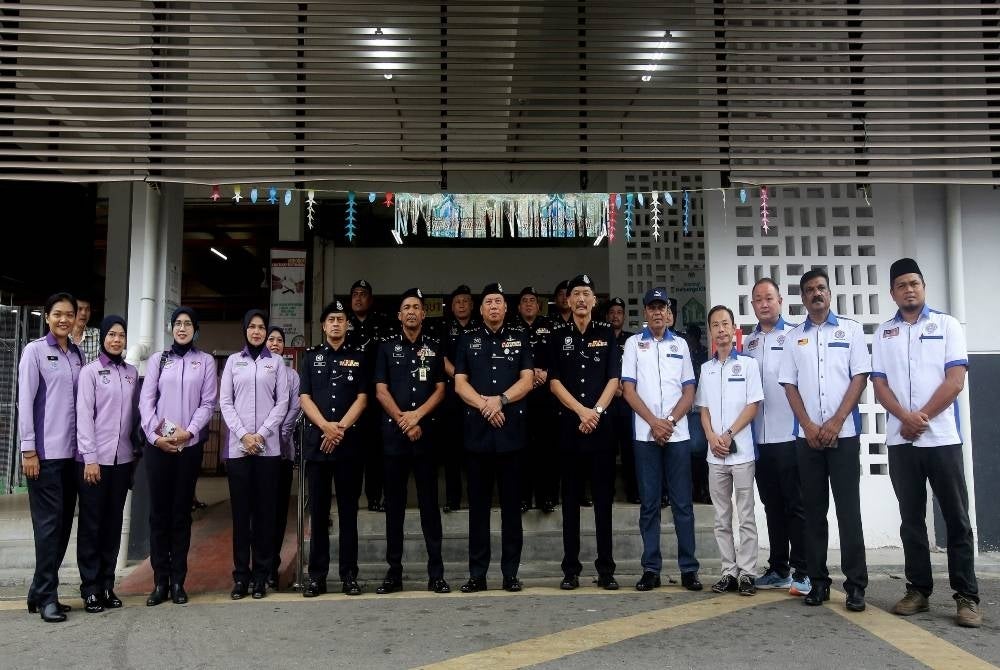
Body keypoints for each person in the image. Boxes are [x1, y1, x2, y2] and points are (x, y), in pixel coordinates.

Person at [871, 258, 981, 628]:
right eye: (901, 285)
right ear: (893, 293)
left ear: (923, 286)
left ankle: (966, 595)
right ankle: (918, 589)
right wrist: (905, 418)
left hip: (942, 439)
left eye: (914, 283)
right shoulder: (884, 333)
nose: (909, 290)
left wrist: (923, 417)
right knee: (911, 520)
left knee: (956, 519)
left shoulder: (947, 325)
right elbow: (880, 384)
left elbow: (955, 380)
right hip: (902, 442)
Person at [779, 268, 870, 612]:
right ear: (802, 298)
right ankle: (818, 583)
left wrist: (834, 422)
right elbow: (789, 384)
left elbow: (859, 378)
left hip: (843, 436)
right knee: (814, 513)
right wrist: (809, 426)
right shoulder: (793, 338)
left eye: (821, 288)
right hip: (808, 440)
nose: (816, 294)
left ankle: (856, 586)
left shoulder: (852, 330)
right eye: (809, 290)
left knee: (849, 513)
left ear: (829, 294)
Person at [453, 282, 534, 593]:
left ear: (505, 307)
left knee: (512, 509)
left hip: (512, 435)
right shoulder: (467, 339)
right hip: (478, 437)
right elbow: (460, 384)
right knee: (479, 510)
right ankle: (477, 574)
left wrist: (500, 400)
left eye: (499, 301)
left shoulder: (520, 337)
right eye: (488, 302)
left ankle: (510, 573)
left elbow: (527, 381)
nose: (494, 307)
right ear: (482, 308)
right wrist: (486, 406)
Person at [622, 288, 703, 593]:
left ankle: (689, 569)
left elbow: (689, 391)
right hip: (645, 435)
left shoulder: (681, 345)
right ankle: (651, 568)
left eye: (662, 307)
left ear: (669, 312)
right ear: (645, 313)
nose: (657, 313)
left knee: (683, 503)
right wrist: (654, 423)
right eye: (651, 308)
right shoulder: (633, 344)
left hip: (677, 434)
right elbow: (628, 390)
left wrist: (667, 422)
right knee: (650, 505)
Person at [139, 306, 218, 607]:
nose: (182, 328)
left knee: (180, 514)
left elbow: (208, 403)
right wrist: (156, 438)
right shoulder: (159, 360)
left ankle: (178, 581)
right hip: (158, 448)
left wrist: (190, 432)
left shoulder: (205, 362)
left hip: (189, 446)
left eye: (188, 324)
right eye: (178, 323)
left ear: (195, 330)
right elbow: (146, 403)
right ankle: (159, 580)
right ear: (171, 328)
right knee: (159, 514)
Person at [374, 288, 450, 594]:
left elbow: (441, 389)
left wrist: (416, 417)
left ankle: (436, 573)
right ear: (399, 315)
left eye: (416, 307)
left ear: (423, 314)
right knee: (395, 508)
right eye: (406, 307)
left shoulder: (434, 346)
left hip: (425, 438)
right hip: (395, 438)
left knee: (430, 507)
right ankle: (394, 573)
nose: (411, 312)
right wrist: (404, 420)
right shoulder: (386, 347)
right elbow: (381, 390)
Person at [548, 274, 621, 590]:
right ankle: (571, 569)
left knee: (604, 503)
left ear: (594, 301)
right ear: (567, 300)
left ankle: (606, 570)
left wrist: (597, 413)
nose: (580, 299)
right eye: (575, 293)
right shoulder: (557, 334)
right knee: (570, 502)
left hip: (601, 431)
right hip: (569, 429)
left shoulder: (606, 335)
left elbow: (613, 380)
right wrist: (581, 412)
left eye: (586, 294)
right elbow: (553, 381)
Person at [19, 292, 84, 622]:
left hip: (71, 456)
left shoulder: (76, 355)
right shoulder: (34, 352)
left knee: (60, 529)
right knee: (47, 529)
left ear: (75, 319)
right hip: (44, 456)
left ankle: (38, 591)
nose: (63, 319)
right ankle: (47, 596)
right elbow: (26, 402)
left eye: (69, 314)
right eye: (57, 313)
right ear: (47, 317)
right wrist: (28, 450)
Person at [743, 278, 810, 595]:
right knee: (771, 504)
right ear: (753, 305)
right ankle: (779, 567)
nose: (764, 303)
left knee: (795, 505)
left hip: (789, 434)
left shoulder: (795, 337)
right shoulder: (750, 343)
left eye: (769, 297)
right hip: (760, 439)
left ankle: (803, 570)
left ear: (780, 300)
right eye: (758, 299)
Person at [299, 300, 369, 597]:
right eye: (331, 320)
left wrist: (338, 429)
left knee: (349, 513)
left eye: (341, 319)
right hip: (318, 447)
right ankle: (317, 576)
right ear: (324, 326)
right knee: (318, 512)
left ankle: (349, 575)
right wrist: (326, 427)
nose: (337, 324)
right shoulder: (311, 358)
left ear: (347, 325)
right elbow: (304, 398)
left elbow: (363, 399)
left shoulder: (359, 356)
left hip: (348, 448)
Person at [219, 310, 289, 600]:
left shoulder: (277, 364)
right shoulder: (234, 362)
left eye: (261, 327)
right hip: (239, 450)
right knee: (241, 516)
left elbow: (282, 402)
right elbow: (225, 402)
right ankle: (241, 577)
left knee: (263, 516)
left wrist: (261, 434)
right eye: (253, 327)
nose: (257, 332)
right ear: (245, 330)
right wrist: (243, 435)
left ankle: (261, 576)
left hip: (268, 450)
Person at [695, 305, 763, 596]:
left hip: (742, 452)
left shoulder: (747, 365)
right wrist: (711, 437)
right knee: (721, 517)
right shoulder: (706, 369)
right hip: (716, 455)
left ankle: (748, 572)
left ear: (734, 329)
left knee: (745, 515)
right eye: (715, 325)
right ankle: (728, 572)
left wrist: (728, 434)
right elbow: (704, 409)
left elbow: (753, 405)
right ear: (710, 331)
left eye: (725, 324)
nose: (721, 330)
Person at [75, 315, 137, 614]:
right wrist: (89, 458)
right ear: (103, 338)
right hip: (94, 462)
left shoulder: (131, 373)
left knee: (113, 526)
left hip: (122, 461)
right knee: (91, 526)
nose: (116, 339)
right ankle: (89, 588)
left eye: (121, 335)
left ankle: (107, 585)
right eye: (111, 334)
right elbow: (84, 417)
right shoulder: (90, 372)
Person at [348, 279, 393, 512]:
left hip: (376, 397)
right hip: (350, 395)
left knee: (376, 450)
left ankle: (375, 497)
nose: (358, 297)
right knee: (353, 451)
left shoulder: (383, 324)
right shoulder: (342, 323)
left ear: (371, 299)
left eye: (363, 294)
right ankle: (351, 499)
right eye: (355, 294)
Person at [514, 286, 557, 513]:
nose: (529, 304)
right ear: (519, 306)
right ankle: (522, 498)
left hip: (545, 398)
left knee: (545, 451)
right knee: (522, 451)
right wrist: (530, 374)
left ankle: (545, 498)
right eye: (525, 301)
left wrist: (547, 373)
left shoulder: (549, 327)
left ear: (538, 306)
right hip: (520, 400)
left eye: (533, 300)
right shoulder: (512, 330)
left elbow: (559, 357)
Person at [265, 326, 301, 590]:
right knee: (258, 512)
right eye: (271, 339)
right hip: (255, 451)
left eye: (279, 340)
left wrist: (278, 437)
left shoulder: (292, 376)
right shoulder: (252, 372)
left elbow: (294, 410)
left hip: (282, 452)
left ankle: (271, 567)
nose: (275, 344)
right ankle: (256, 566)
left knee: (277, 513)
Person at [440, 284, 480, 512]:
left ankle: (476, 498)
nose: (462, 305)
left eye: (466, 301)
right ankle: (453, 499)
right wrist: (461, 380)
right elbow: (442, 358)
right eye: (457, 302)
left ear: (473, 305)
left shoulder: (480, 327)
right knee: (452, 451)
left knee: (475, 451)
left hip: (477, 397)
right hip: (454, 397)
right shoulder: (445, 328)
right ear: (451, 307)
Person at [607, 297, 638, 504]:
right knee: (607, 452)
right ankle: (607, 492)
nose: (615, 315)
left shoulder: (632, 340)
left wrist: (624, 388)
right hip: (607, 404)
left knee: (630, 452)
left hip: (627, 404)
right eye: (612, 312)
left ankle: (633, 492)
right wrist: (612, 388)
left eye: (619, 312)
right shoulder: (600, 338)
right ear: (607, 316)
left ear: (624, 316)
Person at [685, 324, 710, 504]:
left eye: (693, 337)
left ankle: (702, 489)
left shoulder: (705, 353)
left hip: (702, 405)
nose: (691, 340)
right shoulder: (685, 353)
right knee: (692, 450)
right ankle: (695, 489)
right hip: (684, 406)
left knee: (699, 450)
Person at [70, 295, 101, 364]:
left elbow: (105, 362)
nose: (84, 313)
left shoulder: (98, 335)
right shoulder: (63, 336)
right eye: (80, 309)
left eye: (87, 309)